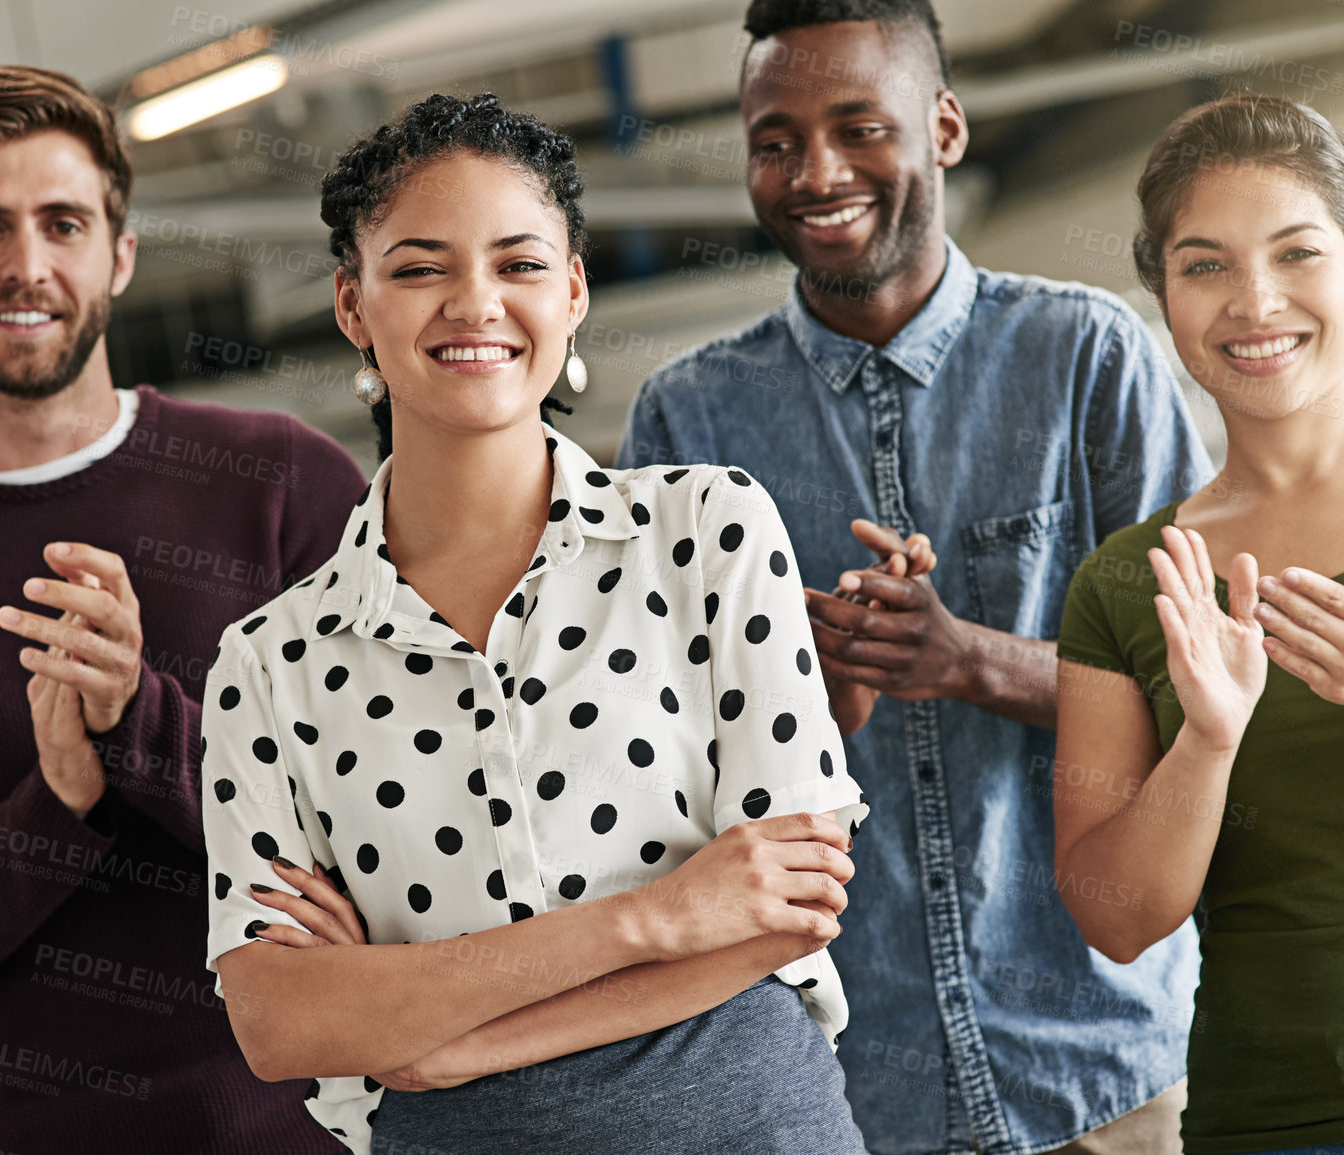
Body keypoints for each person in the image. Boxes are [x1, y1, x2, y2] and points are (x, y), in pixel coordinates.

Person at [201, 92, 872, 1155]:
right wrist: (648, 919)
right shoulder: (270, 668)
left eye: (517, 265)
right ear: (350, 303)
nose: (475, 303)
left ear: (571, 293)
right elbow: (280, 1021)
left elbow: (789, 906)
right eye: (420, 268)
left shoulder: (707, 530)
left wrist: (445, 1041)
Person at [619, 2, 1214, 1152]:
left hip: (1104, 1071)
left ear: (943, 127)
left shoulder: (1088, 359)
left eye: (858, 127)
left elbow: (1200, 692)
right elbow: (653, 777)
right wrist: (806, 705)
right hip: (837, 1099)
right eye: (774, 140)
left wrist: (968, 661)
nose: (816, 172)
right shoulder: (685, 419)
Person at [0, 66, 366, 1152]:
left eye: (63, 223)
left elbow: (400, 847)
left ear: (120, 254)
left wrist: (145, 727)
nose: (27, 265)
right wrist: (56, 811)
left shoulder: (283, 486)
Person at [1054, 93, 1344, 1154]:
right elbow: (1117, 916)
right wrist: (1206, 743)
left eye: (1298, 254)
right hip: (1271, 1124)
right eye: (1204, 265)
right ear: (1162, 296)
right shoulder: (1125, 582)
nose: (1256, 303)